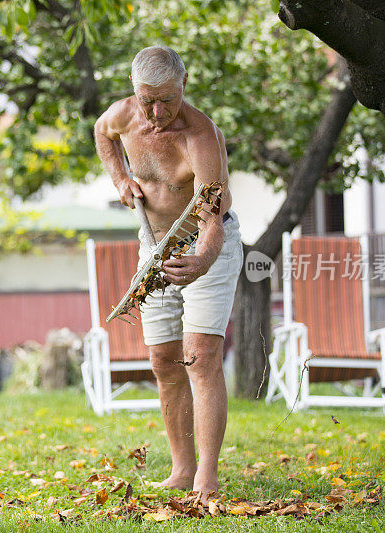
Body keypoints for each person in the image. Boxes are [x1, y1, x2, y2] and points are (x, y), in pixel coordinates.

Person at [93, 45, 243, 498]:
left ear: (184, 85)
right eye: (147, 100)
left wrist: (200, 261)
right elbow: (102, 133)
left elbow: (212, 219)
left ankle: (206, 477)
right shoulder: (122, 115)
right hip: (153, 246)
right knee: (163, 359)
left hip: (204, 245)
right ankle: (181, 468)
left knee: (200, 355)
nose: (157, 112)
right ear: (134, 92)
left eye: (167, 99)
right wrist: (120, 179)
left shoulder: (200, 137)